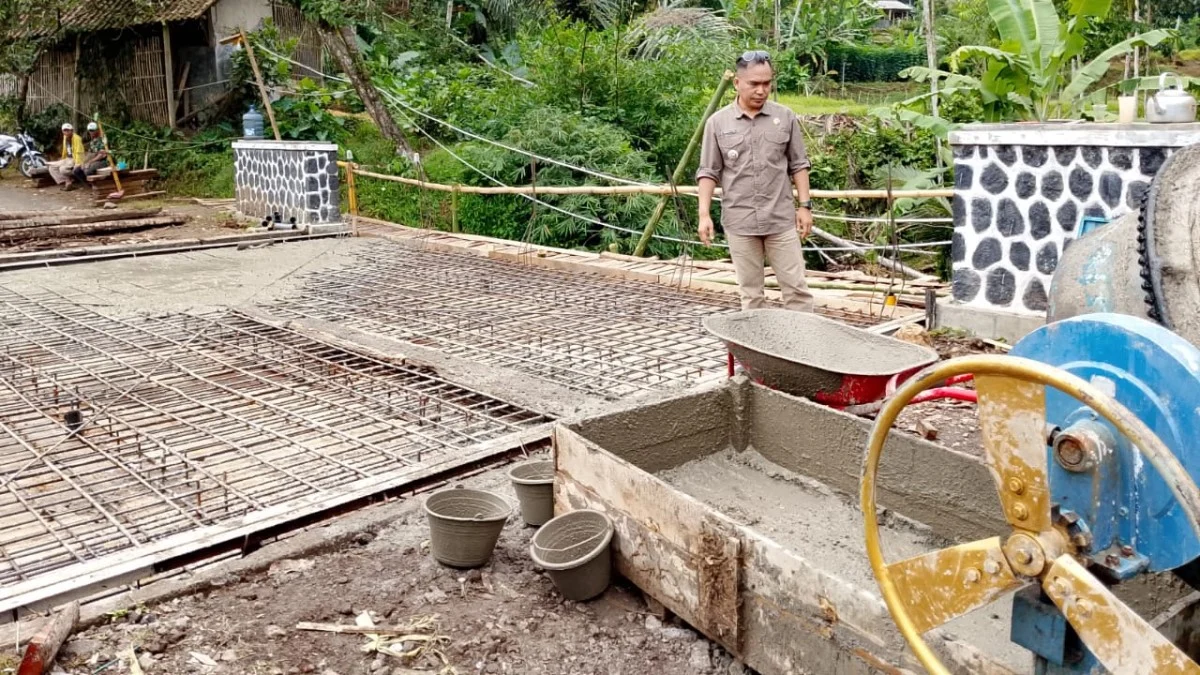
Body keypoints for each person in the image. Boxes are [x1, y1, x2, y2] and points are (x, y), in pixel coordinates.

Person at [696, 50, 815, 312]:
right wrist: (704, 214)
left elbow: (799, 164)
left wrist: (805, 206)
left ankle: (803, 349)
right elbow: (708, 171)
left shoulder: (785, 117)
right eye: (754, 84)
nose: (761, 90)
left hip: (780, 219)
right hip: (740, 222)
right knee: (751, 295)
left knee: (796, 290)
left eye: (767, 83)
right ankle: (759, 352)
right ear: (737, 83)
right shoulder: (717, 123)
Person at [48, 123, 86, 190]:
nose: (67, 132)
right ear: (62, 131)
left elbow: (79, 152)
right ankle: (67, 182)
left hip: (74, 158)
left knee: (62, 169)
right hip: (68, 159)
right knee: (51, 168)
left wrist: (78, 163)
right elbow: (65, 150)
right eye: (65, 130)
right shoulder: (65, 137)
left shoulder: (77, 138)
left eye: (68, 130)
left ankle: (70, 181)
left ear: (72, 130)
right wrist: (62, 159)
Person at [71, 122, 108, 187]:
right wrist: (83, 162)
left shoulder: (103, 139)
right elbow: (89, 154)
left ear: (97, 130)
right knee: (76, 170)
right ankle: (88, 184)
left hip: (103, 161)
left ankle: (96, 184)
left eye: (93, 130)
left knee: (87, 170)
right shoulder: (92, 142)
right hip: (93, 160)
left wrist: (90, 162)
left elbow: (101, 155)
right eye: (90, 130)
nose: (91, 132)